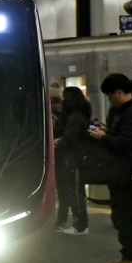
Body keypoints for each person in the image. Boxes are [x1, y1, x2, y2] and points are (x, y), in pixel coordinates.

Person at [88, 72, 132, 263]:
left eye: (110, 95)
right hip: (119, 173)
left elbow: (126, 144)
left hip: (130, 174)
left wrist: (103, 137)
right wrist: (106, 131)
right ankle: (129, 257)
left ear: (120, 92)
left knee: (127, 218)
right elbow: (119, 138)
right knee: (119, 217)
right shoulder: (119, 111)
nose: (109, 100)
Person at [53, 86, 92, 234]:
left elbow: (70, 137)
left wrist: (59, 142)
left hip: (72, 157)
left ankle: (80, 224)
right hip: (74, 156)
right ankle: (75, 222)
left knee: (74, 191)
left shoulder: (75, 117)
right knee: (71, 190)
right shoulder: (81, 114)